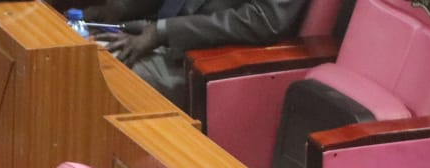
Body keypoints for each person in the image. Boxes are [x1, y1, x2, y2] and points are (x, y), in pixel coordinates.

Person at [88, 0, 311, 109]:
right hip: (155, 29)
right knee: (80, 52)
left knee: (100, 73)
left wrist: (163, 32)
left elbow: (264, 21)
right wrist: (120, 7)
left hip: (203, 55)